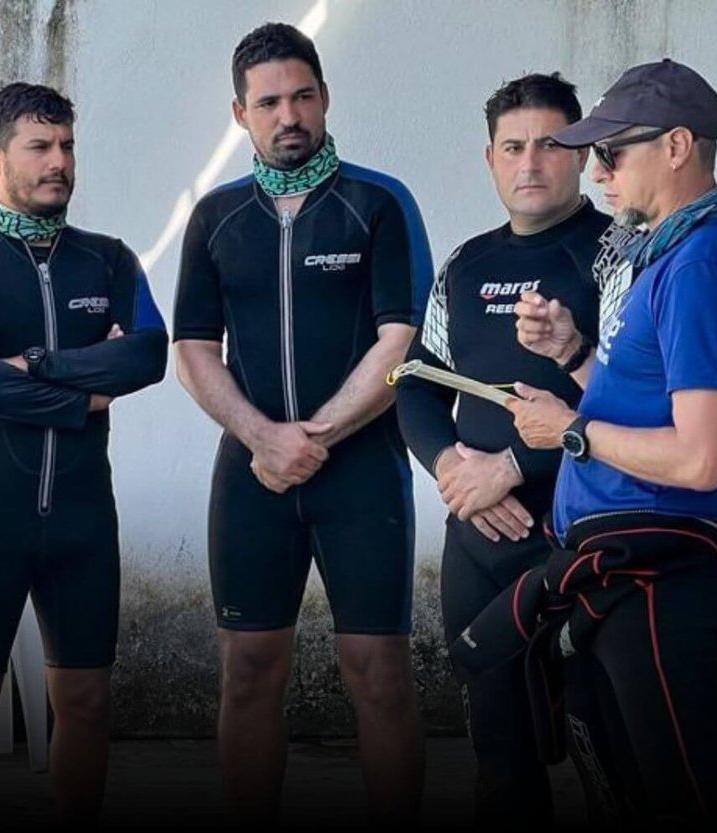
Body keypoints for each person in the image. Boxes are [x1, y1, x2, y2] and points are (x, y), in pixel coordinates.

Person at [171, 22, 432, 825]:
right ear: (240, 113)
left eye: (303, 96)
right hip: (251, 475)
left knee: (377, 672)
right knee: (248, 669)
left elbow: (403, 339)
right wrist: (262, 436)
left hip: (359, 471)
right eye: (270, 101)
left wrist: (309, 436)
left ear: (324, 98)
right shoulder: (215, 218)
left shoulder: (376, 204)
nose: (290, 114)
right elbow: (192, 347)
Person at [498, 59, 717, 823]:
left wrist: (570, 431)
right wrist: (574, 356)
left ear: (678, 145)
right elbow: (656, 409)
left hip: (656, 576)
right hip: (618, 573)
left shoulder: (703, 264)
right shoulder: (671, 256)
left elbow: (701, 457)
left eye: (614, 151)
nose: (598, 170)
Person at [0, 82, 167, 826]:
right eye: (40, 147)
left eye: (66, 146)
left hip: (84, 521)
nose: (59, 162)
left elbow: (148, 356)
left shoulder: (109, 261)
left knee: (86, 702)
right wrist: (88, 388)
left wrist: (35, 365)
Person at [394, 71, 611, 824]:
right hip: (480, 541)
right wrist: (456, 470)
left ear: (582, 153)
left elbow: (633, 402)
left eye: (550, 144)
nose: (530, 163)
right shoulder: (465, 267)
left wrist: (512, 469)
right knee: (500, 755)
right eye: (512, 147)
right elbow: (415, 385)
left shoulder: (617, 256)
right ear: (488, 158)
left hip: (585, 535)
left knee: (603, 744)